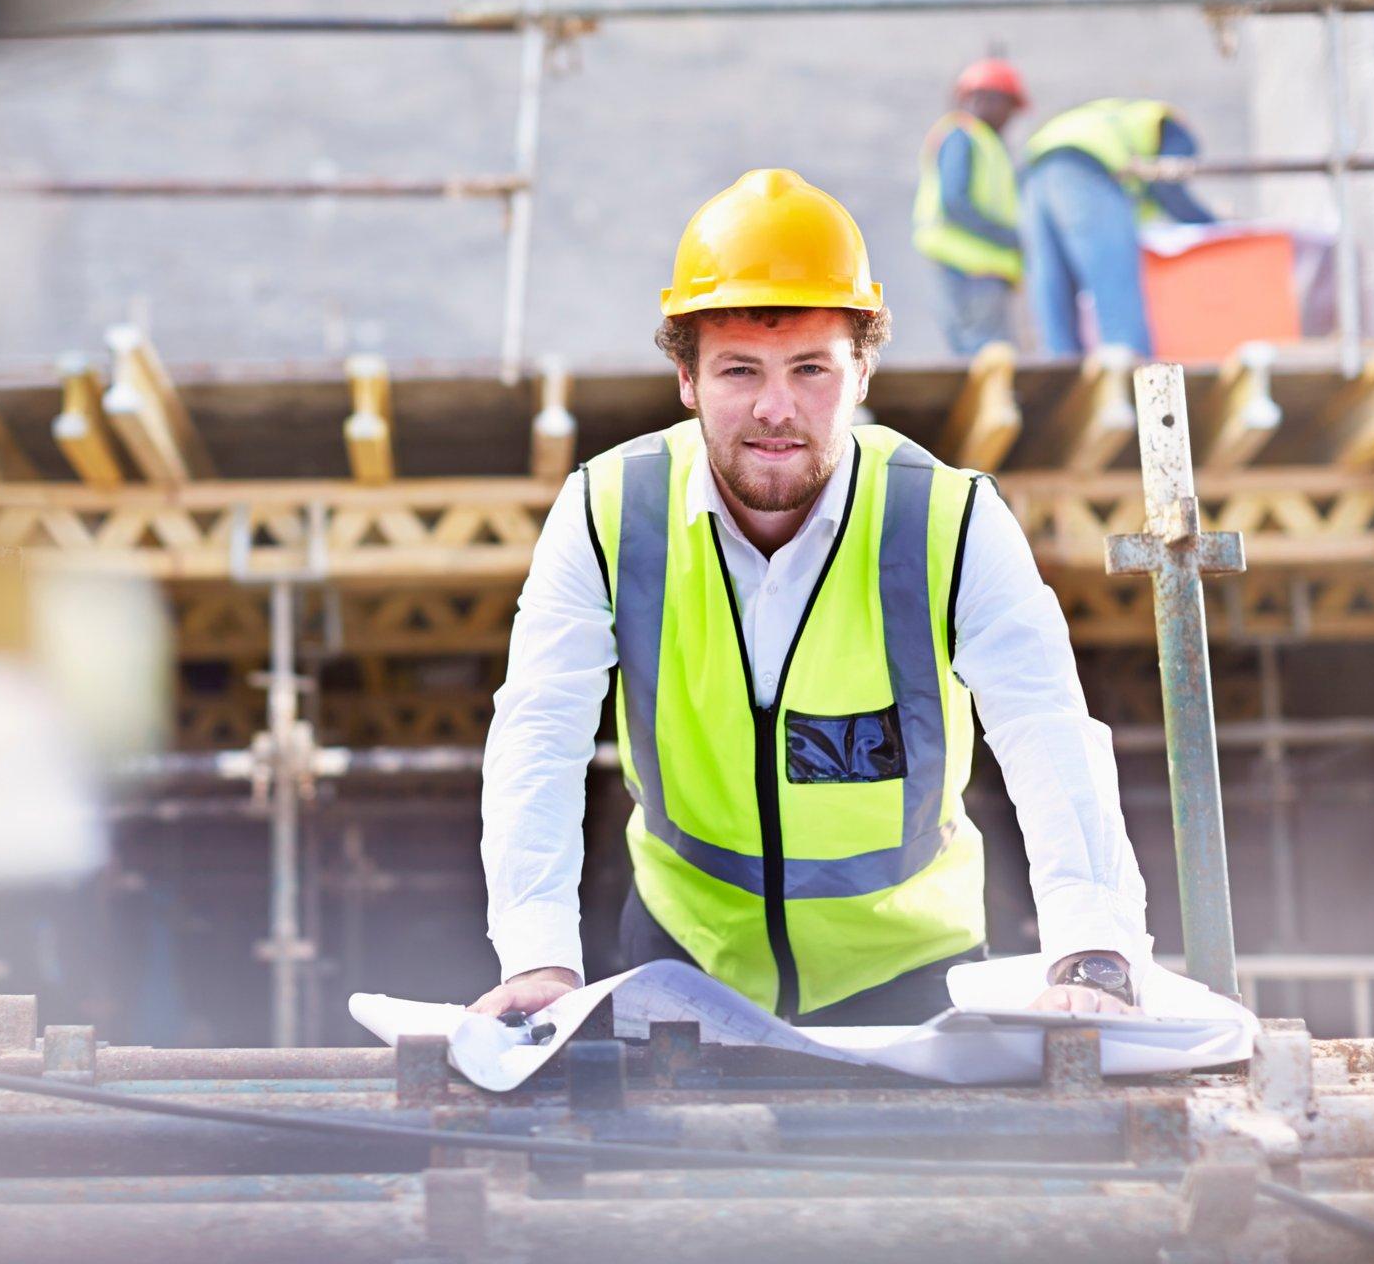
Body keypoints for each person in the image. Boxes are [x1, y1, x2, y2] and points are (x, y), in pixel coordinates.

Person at [469, 168, 1150, 1026]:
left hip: (912, 974)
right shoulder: (609, 513)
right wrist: (537, 958)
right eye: (739, 370)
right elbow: (539, 728)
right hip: (685, 965)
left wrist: (1093, 949)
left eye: (812, 369)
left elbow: (1047, 728)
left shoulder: (949, 519)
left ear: (863, 372)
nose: (776, 409)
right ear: (687, 379)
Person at [1020, 99, 1217, 357]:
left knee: (1054, 289)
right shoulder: (1171, 128)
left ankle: (1061, 373)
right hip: (1085, 170)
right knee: (1114, 279)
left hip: (1035, 175)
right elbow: (1169, 185)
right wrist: (1211, 225)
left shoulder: (1113, 119)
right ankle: (1130, 375)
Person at [912, 58, 1028, 355]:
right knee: (987, 353)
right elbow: (955, 202)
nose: (1010, 116)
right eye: (1008, 105)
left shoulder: (987, 144)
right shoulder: (963, 136)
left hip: (982, 268)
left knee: (985, 356)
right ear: (981, 98)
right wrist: (1014, 239)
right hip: (969, 267)